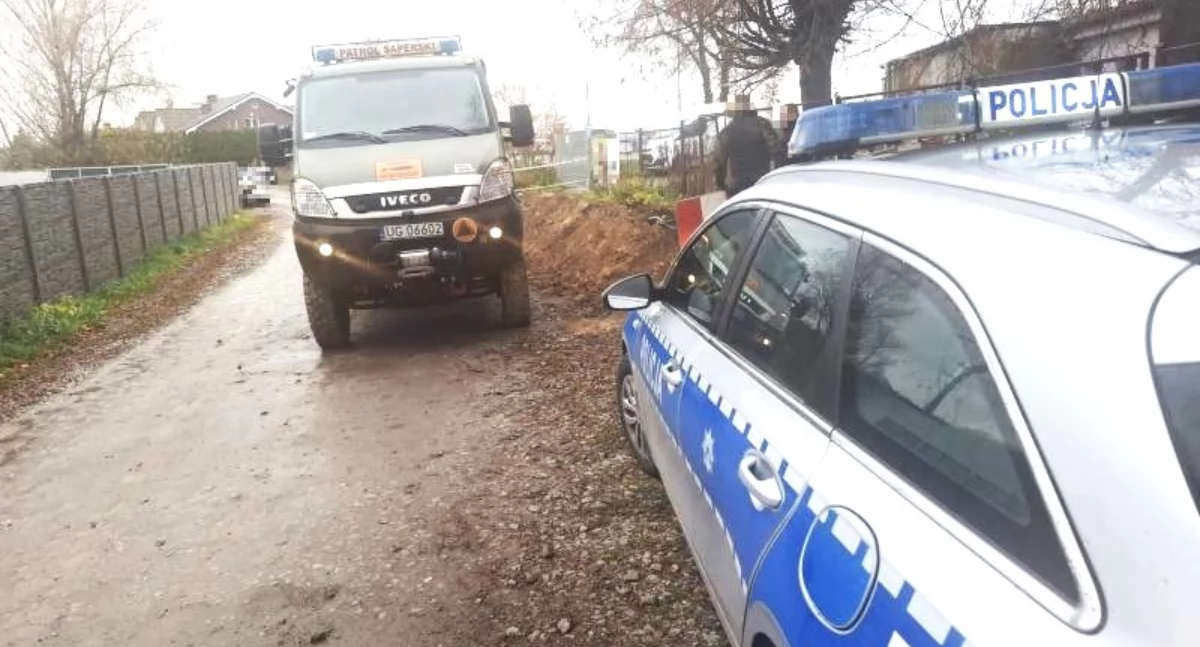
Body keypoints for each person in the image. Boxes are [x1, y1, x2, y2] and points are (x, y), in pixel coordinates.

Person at [711, 95, 781, 197]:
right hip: (764, 182)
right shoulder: (763, 124)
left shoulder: (726, 132)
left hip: (739, 187)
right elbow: (776, 150)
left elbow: (719, 162)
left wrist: (720, 183)